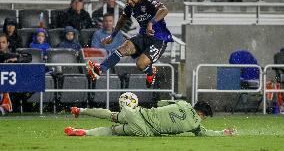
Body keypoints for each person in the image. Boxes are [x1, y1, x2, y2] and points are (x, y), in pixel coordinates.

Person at [87, 0, 173, 88]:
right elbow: (122, 20)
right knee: (122, 48)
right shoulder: (129, 6)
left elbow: (164, 10)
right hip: (143, 36)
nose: (129, 1)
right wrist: (112, 36)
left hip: (159, 38)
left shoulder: (148, 0)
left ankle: (150, 72)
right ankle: (101, 69)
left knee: (140, 64)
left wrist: (151, 23)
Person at [64, 100, 236, 136]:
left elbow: (161, 102)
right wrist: (223, 132)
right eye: (204, 117)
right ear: (201, 114)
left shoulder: (183, 103)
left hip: (137, 113)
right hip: (144, 130)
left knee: (111, 115)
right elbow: (206, 134)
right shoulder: (196, 125)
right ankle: (83, 132)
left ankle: (80, 109)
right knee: (112, 131)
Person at [0, 33, 32, 113]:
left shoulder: (11, 54)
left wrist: (17, 60)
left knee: (29, 82)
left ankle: (6, 107)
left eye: (3, 42)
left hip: (11, 85)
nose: (1, 45)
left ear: (8, 43)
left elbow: (29, 57)